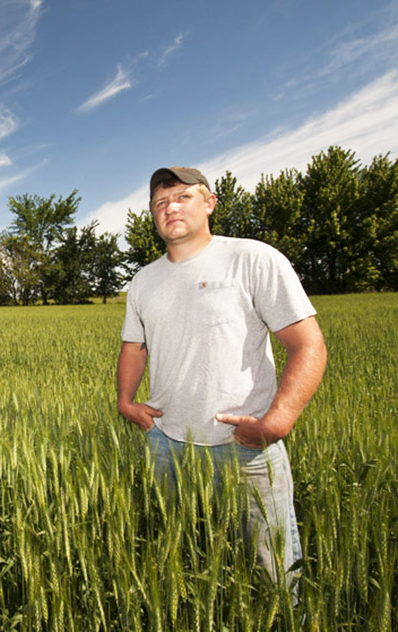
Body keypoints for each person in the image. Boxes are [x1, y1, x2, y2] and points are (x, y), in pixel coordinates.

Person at [117, 166, 327, 587]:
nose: (170, 207)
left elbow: (308, 345)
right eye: (160, 203)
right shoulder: (144, 279)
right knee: (180, 558)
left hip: (244, 444)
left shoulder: (253, 257)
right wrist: (125, 400)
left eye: (182, 197)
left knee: (274, 571)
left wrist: (278, 421)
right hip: (165, 442)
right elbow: (134, 346)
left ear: (210, 203)